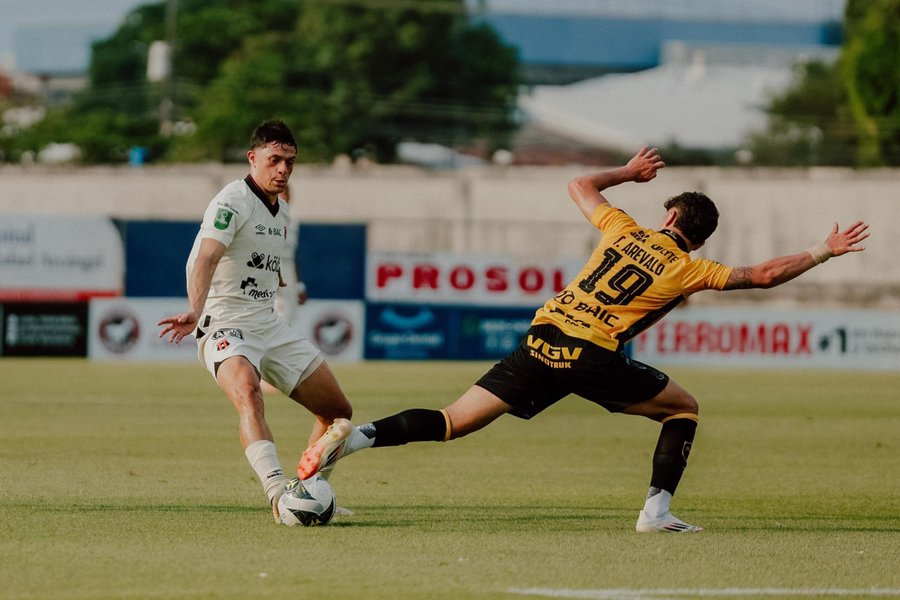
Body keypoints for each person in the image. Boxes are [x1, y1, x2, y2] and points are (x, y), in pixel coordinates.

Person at [295, 146, 869, 533]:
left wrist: (626, 173)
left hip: (542, 336)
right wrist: (824, 250)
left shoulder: (623, 228)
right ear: (697, 237)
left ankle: (356, 439)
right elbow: (764, 275)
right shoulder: (689, 268)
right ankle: (656, 513)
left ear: (670, 216)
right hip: (591, 353)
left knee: (452, 421)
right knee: (684, 409)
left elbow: (576, 184)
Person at [158, 119, 352, 524]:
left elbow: (263, 262)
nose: (283, 169)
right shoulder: (232, 201)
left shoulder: (281, 214)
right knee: (249, 391)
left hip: (267, 322)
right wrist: (195, 310)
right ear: (253, 158)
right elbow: (208, 256)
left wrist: (284, 282)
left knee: (337, 414)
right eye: (274, 160)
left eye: (290, 162)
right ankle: (279, 495)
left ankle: (309, 491)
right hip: (223, 322)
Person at [274, 184, 308, 325]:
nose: (285, 197)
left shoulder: (293, 219)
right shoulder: (267, 215)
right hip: (271, 265)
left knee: (290, 314)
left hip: (287, 267)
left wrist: (299, 284)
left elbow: (292, 255)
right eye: (281, 193)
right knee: (276, 311)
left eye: (287, 193)